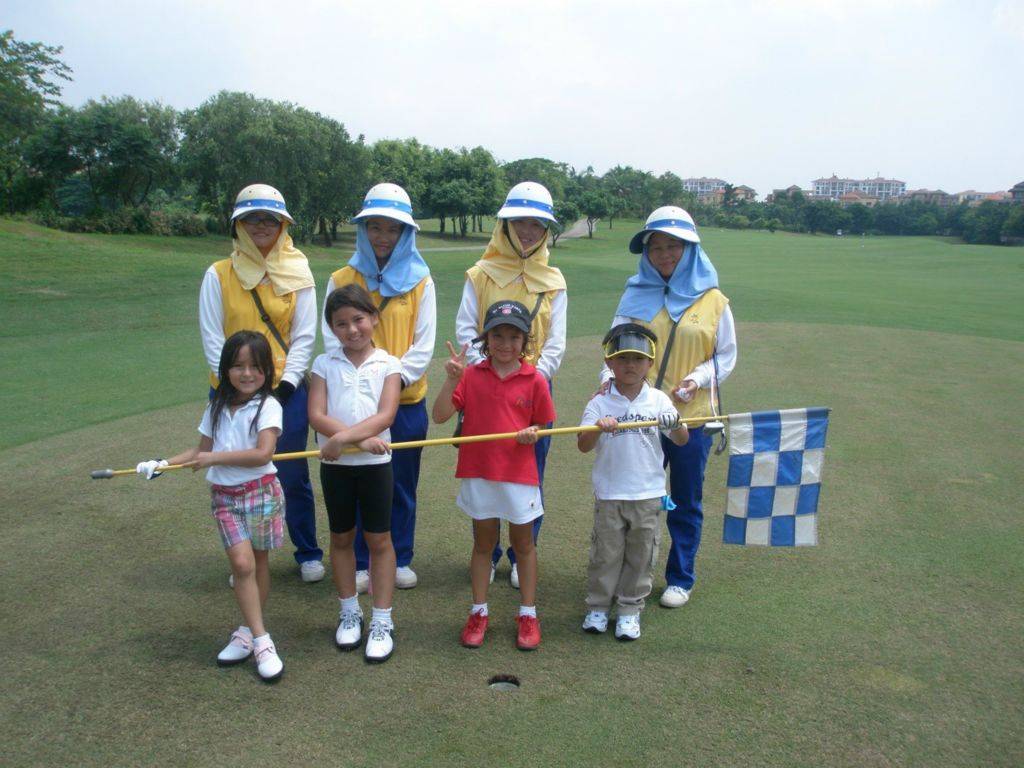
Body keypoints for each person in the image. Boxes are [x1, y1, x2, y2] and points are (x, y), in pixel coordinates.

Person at [603, 207, 737, 608]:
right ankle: (628, 576)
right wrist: (606, 385)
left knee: (685, 499)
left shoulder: (714, 301)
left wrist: (696, 379)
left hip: (690, 419)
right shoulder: (634, 295)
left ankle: (680, 577)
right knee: (634, 499)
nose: (664, 254)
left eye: (673, 246)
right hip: (639, 417)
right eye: (656, 247)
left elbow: (725, 356)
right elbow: (613, 349)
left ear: (690, 249)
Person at [136, 331, 286, 682]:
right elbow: (199, 452)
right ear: (225, 370)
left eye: (255, 366)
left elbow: (263, 453)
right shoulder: (215, 407)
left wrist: (213, 458)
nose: (246, 374)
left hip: (262, 492)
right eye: (238, 366)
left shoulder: (268, 406)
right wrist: (162, 464)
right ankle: (262, 641)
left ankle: (248, 632)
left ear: (266, 370)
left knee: (258, 563)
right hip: (225, 497)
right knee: (242, 564)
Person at [198, 184, 323, 583]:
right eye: (252, 218)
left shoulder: (299, 270)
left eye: (270, 219)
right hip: (229, 392)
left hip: (285, 390)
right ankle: (248, 558)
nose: (261, 226)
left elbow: (303, 337)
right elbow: (212, 337)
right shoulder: (218, 273)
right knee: (238, 475)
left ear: (283, 225)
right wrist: (235, 388)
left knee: (290, 473)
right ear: (238, 225)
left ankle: (307, 551)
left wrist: (282, 389)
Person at [321, 183, 435, 594]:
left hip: (403, 401)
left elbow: (424, 343)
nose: (383, 236)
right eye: (375, 227)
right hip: (350, 402)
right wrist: (368, 386)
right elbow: (331, 335)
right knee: (354, 484)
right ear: (363, 229)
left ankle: (399, 556)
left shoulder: (421, 280)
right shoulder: (341, 278)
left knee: (399, 485)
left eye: (393, 228)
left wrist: (389, 382)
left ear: (406, 233)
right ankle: (360, 562)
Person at [454, 181, 566, 589]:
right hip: (485, 386)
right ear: (505, 225)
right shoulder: (480, 273)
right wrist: (490, 372)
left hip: (533, 389)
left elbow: (555, 342)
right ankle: (488, 551)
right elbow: (467, 330)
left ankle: (522, 553)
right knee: (486, 471)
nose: (528, 231)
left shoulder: (554, 279)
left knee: (529, 474)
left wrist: (528, 376)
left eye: (537, 224)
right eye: (520, 222)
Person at [433, 301, 556, 651]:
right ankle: (479, 612)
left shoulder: (535, 379)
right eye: (498, 336)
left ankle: (528, 614)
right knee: (483, 544)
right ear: (486, 339)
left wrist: (534, 432)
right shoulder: (471, 375)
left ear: (525, 341)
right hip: (480, 472)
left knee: (524, 545)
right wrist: (452, 379)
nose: (505, 344)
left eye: (514, 337)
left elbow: (544, 424)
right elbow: (440, 415)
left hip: (518, 475)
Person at [309, 284, 402, 663]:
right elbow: (316, 415)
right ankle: (349, 612)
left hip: (375, 466)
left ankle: (382, 620)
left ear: (374, 318)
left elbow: (386, 415)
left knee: (379, 540)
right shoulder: (323, 364)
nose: (352, 329)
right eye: (341, 323)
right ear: (332, 328)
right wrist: (358, 441)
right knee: (341, 537)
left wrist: (346, 438)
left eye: (358, 319)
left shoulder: (389, 364)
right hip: (336, 468)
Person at [578, 324, 689, 640]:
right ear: (609, 363)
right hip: (610, 493)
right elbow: (583, 445)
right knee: (606, 554)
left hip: (648, 494)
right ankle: (598, 606)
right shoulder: (599, 403)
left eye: (638, 359)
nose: (630, 365)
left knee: (641, 556)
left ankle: (629, 610)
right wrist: (598, 428)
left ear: (649, 364)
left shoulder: (658, 400)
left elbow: (681, 439)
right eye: (623, 358)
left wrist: (675, 423)